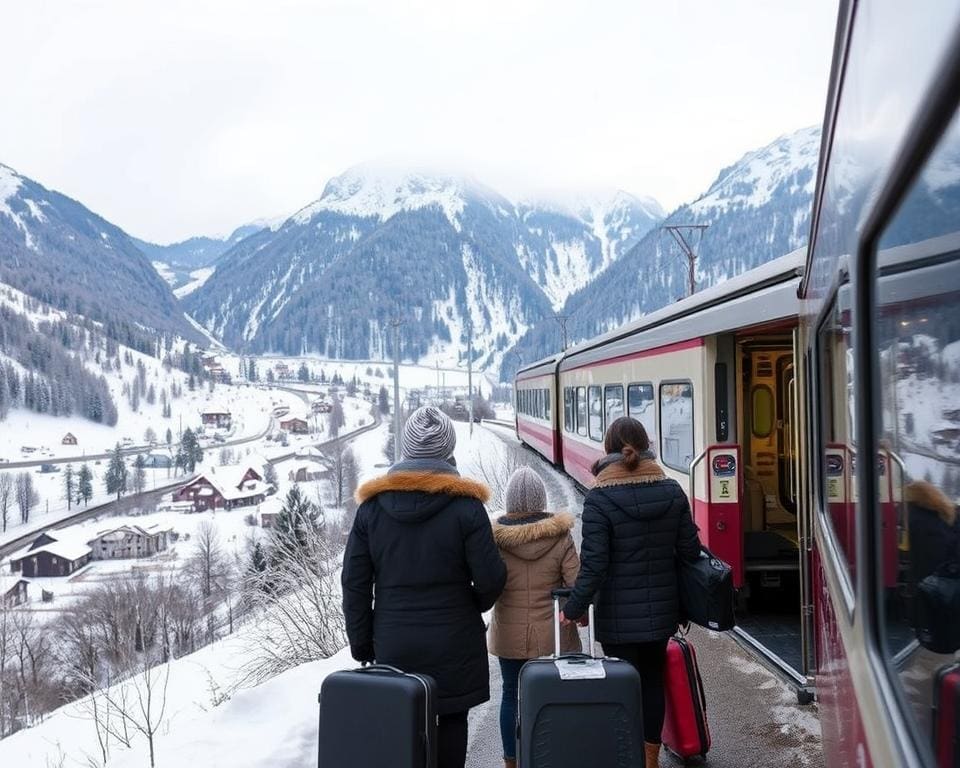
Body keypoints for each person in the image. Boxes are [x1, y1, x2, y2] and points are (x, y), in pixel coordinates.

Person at [342, 406, 507, 768]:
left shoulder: (371, 509)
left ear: (405, 450)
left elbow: (354, 583)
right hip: (454, 641)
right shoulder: (467, 507)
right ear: (449, 450)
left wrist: (362, 642)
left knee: (401, 724)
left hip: (393, 640)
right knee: (450, 721)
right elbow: (492, 578)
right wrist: (470, 605)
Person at [560, 416, 702, 768]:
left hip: (618, 617)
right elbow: (690, 552)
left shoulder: (598, 501)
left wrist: (574, 607)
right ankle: (649, 759)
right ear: (646, 446)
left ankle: (626, 756)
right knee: (653, 681)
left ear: (608, 450)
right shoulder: (672, 492)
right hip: (662, 613)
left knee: (622, 684)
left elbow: (594, 566)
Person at [488, 467, 580, 768]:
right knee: (554, 697)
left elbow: (488, 583)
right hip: (553, 634)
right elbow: (575, 584)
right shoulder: (561, 536)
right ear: (541, 499)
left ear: (509, 500)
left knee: (510, 695)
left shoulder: (494, 539)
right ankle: (552, 756)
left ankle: (511, 762)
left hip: (508, 635)